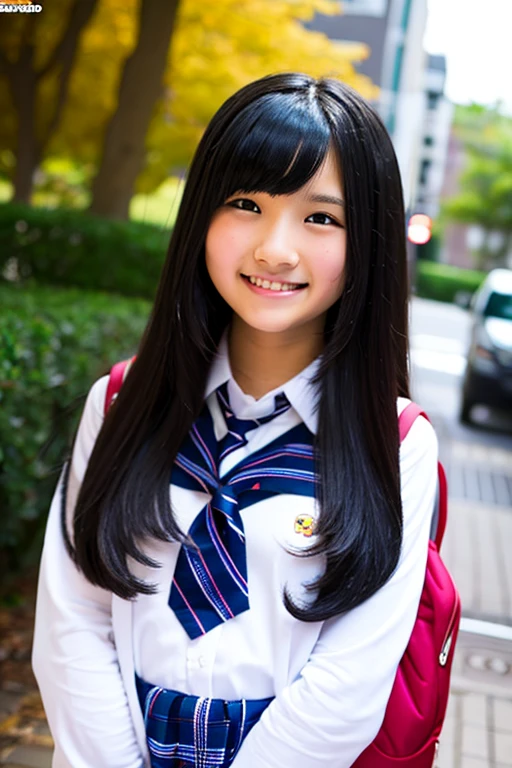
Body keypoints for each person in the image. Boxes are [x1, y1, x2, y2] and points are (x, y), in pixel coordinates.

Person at [32, 72, 438, 768]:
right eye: (246, 203)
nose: (275, 250)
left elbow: (348, 685)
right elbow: (72, 621)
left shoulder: (394, 443)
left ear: (364, 242)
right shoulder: (123, 404)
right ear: (201, 216)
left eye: (321, 217)